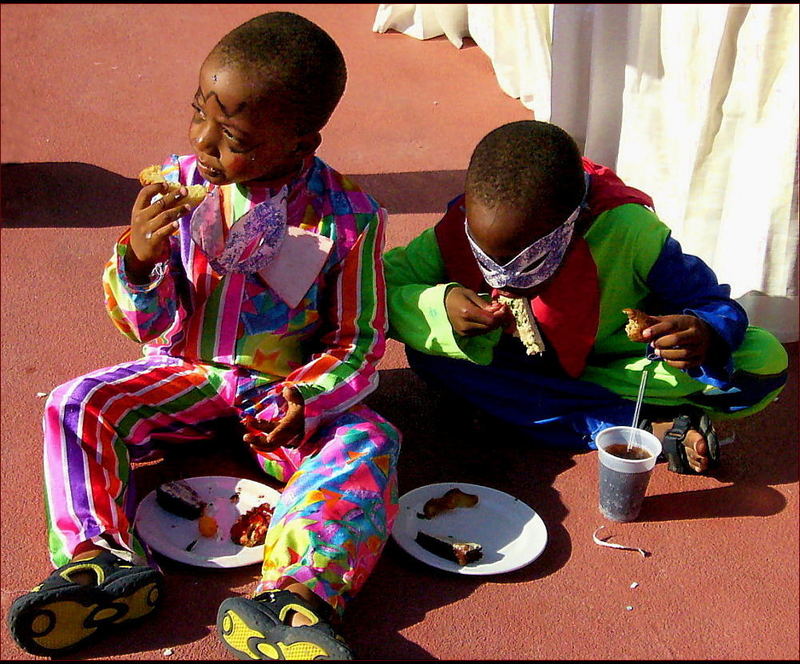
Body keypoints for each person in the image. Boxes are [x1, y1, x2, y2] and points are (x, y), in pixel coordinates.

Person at [7, 12, 399, 661]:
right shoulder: (180, 185)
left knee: (370, 440)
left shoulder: (350, 218)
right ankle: (99, 564)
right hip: (189, 373)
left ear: (302, 143)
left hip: (282, 398)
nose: (204, 143)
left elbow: (359, 340)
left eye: (234, 136)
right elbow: (150, 327)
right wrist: (138, 260)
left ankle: (295, 597)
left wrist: (310, 396)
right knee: (74, 403)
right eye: (199, 115)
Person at [384, 120, 787, 474]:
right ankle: (626, 426)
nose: (502, 278)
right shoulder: (458, 226)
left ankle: (558, 414)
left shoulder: (630, 231)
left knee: (762, 362)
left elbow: (713, 302)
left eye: (526, 261)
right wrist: (441, 309)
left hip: (617, 368)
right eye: (485, 256)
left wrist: (703, 333)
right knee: (431, 355)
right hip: (514, 363)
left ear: (571, 224)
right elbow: (379, 285)